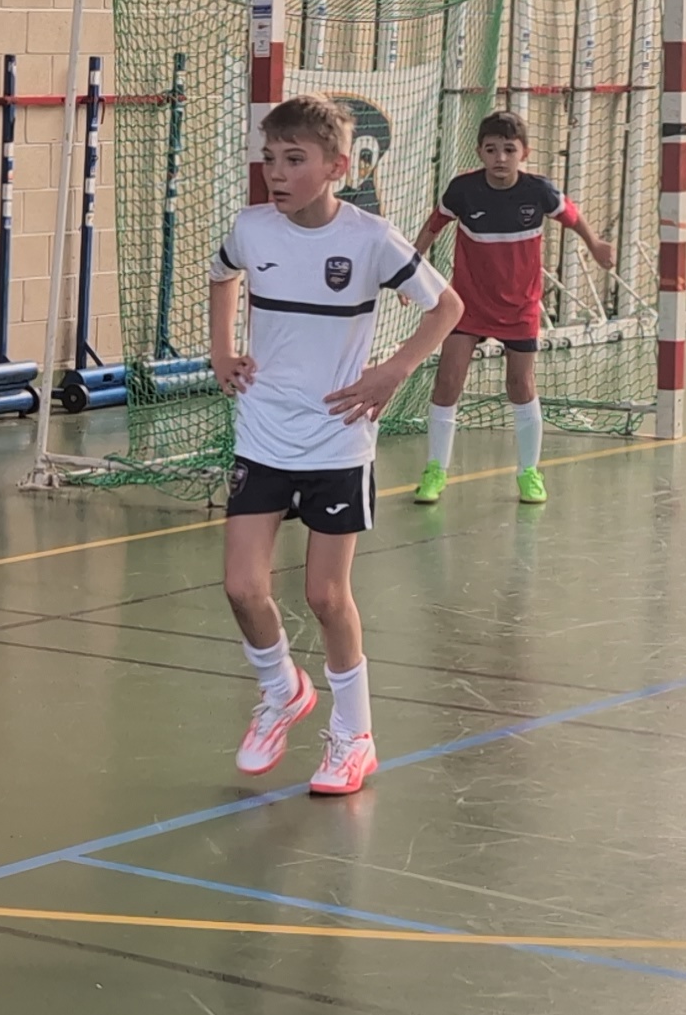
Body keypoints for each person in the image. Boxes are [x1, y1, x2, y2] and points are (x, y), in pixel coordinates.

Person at [215, 95, 463, 796]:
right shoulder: (251, 228)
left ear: (336, 167)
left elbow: (448, 307)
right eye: (270, 158)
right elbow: (222, 274)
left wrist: (394, 370)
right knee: (241, 586)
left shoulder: (371, 238)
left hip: (336, 439)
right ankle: (281, 689)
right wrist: (220, 348)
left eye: (294, 159)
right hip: (263, 429)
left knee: (325, 596)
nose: (277, 172)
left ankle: (355, 736)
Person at [408, 109, 615, 507]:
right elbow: (433, 227)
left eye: (509, 149)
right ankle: (435, 470)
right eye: (491, 150)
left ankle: (529, 472)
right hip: (467, 305)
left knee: (520, 385)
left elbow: (572, 217)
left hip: (520, 308)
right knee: (447, 381)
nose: (500, 158)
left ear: (524, 152)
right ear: (479, 152)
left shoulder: (538, 191)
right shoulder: (463, 191)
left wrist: (595, 244)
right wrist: (410, 270)